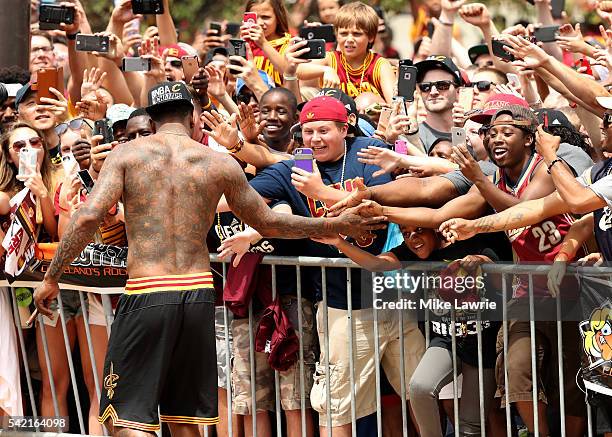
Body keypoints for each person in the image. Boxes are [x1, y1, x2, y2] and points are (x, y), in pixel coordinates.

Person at [33, 82, 384, 435]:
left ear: (152, 121)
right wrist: (336, 222)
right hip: (198, 294)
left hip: (147, 290)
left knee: (125, 417)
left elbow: (89, 215)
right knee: (183, 418)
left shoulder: (127, 156)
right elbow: (270, 222)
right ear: (193, 117)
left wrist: (51, 278)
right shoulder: (218, 163)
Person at [296, 2, 395, 103]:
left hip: (368, 116)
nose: (349, 39)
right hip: (335, 117)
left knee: (366, 101)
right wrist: (326, 70)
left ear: (371, 37)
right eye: (343, 34)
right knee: (305, 92)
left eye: (357, 34)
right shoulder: (331, 59)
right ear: (337, 35)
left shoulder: (380, 65)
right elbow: (296, 69)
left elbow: (394, 104)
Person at [415, 55, 464, 153]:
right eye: (425, 87)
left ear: (458, 92)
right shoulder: (411, 133)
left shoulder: (473, 133)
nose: (433, 92)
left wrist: (460, 131)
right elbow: (400, 157)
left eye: (442, 85)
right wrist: (391, 140)